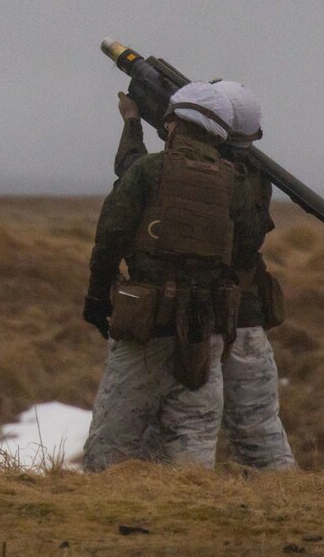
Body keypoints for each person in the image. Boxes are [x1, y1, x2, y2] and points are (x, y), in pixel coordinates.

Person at [114, 81, 296, 470]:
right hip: (241, 319)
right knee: (258, 434)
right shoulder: (253, 176)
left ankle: (174, 497)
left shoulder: (204, 176)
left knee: (166, 432)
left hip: (195, 323)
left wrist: (132, 123)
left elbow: (133, 173)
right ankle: (281, 497)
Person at [81, 82, 250, 472]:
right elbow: (244, 248)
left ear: (174, 124)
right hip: (205, 332)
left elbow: (110, 237)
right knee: (193, 452)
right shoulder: (235, 183)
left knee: (110, 450)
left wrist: (97, 298)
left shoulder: (149, 170)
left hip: (146, 330)